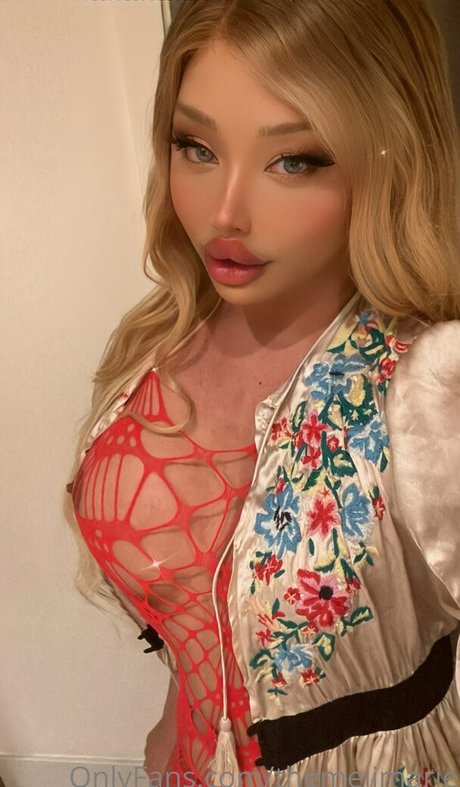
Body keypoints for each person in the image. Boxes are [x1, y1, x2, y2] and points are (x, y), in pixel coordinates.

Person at [64, 0, 460, 785]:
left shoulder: (432, 388)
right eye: (197, 147)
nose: (224, 212)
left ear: (388, 154)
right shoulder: (158, 340)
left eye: (294, 160)